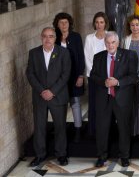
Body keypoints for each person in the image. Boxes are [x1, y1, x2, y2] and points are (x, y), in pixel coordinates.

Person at [90, 31, 139, 168]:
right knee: (102, 128)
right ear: (104, 43)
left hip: (122, 98)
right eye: (107, 42)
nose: (110, 45)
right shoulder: (98, 57)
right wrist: (103, 82)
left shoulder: (129, 55)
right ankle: (101, 156)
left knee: (123, 128)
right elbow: (93, 75)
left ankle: (124, 156)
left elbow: (134, 77)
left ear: (118, 43)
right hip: (103, 98)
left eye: (113, 42)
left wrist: (117, 82)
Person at [26, 27, 71, 167]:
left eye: (50, 36)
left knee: (60, 127)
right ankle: (40, 155)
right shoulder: (34, 53)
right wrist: (42, 91)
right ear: (41, 37)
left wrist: (52, 91)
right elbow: (30, 74)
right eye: (45, 36)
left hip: (57, 96)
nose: (47, 39)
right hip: (40, 97)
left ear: (55, 38)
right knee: (39, 127)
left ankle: (61, 155)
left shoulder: (63, 52)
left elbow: (66, 74)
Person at [53, 12, 85, 143]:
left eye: (66, 22)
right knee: (60, 104)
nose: (64, 25)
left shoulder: (76, 37)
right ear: (57, 24)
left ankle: (78, 129)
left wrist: (80, 75)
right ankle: (61, 130)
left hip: (74, 76)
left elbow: (80, 57)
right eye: (61, 22)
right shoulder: (54, 37)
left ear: (69, 24)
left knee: (75, 103)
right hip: (59, 78)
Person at [84, 12, 108, 135]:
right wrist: (97, 76)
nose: (99, 25)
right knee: (94, 104)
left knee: (107, 106)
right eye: (97, 22)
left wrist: (107, 76)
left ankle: (107, 130)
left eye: (101, 22)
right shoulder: (89, 38)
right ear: (94, 23)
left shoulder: (111, 36)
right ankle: (93, 130)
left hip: (109, 77)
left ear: (105, 23)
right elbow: (87, 58)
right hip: (94, 77)